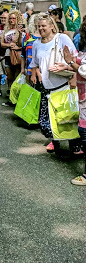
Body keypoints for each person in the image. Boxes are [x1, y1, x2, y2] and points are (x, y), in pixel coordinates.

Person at [30, 13, 80, 155]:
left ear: (52, 26)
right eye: (38, 26)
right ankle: (55, 140)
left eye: (44, 26)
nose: (41, 29)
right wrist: (35, 74)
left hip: (63, 85)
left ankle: (75, 145)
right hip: (46, 88)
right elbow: (34, 63)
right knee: (47, 122)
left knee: (68, 117)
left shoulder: (62, 38)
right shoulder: (36, 44)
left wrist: (67, 68)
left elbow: (75, 60)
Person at [57, 18, 86, 184]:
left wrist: (69, 61)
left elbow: (84, 70)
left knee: (84, 133)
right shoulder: (82, 45)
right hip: (83, 97)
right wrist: (67, 66)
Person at [0, 9, 24, 98]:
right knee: (9, 76)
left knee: (17, 76)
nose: (11, 20)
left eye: (14, 18)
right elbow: (2, 43)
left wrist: (18, 47)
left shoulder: (21, 30)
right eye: (10, 18)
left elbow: (24, 44)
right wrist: (8, 45)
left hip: (17, 55)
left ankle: (16, 95)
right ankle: (10, 91)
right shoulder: (6, 30)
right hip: (7, 55)